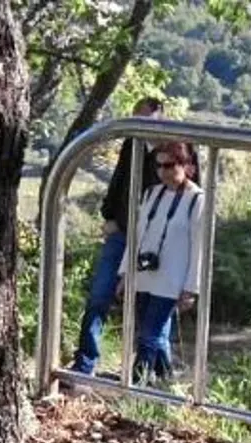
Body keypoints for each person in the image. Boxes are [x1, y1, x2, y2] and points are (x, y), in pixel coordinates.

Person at [70, 97, 165, 376]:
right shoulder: (131, 145)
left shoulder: (175, 149)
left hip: (156, 240)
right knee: (99, 295)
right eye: (136, 119)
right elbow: (119, 181)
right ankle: (84, 365)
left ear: (161, 119)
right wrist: (109, 216)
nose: (140, 126)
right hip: (122, 231)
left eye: (146, 120)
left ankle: (153, 374)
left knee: (153, 305)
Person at [120, 140, 205, 384]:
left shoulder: (197, 200)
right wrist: (126, 273)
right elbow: (137, 235)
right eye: (158, 167)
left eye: (169, 166)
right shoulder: (151, 193)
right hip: (144, 275)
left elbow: (199, 248)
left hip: (171, 281)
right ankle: (166, 381)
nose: (163, 172)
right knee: (155, 335)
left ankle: (136, 384)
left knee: (149, 335)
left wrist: (191, 288)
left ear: (187, 166)